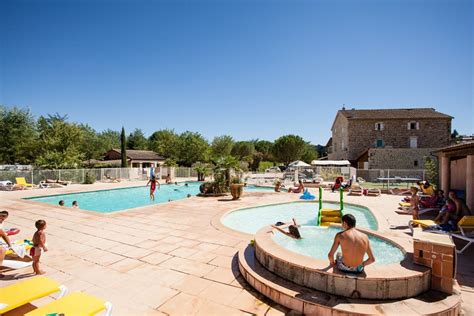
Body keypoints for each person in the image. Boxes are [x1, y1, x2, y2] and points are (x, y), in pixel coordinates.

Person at [0, 211, 13, 277]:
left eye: (3, 218)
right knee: (2, 250)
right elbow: (3, 235)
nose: (1, 220)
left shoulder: (1, 222)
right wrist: (9, 245)